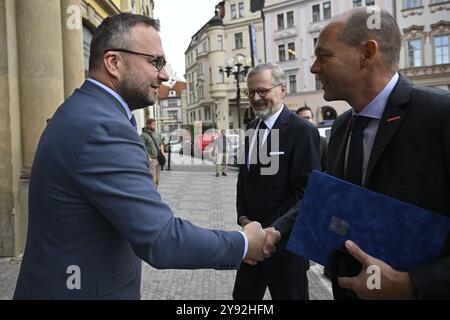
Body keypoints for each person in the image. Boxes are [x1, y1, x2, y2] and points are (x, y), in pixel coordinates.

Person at [13, 13, 271, 300]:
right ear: (114, 63)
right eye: (155, 62)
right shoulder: (104, 127)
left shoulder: (83, 111)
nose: (164, 75)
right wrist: (244, 244)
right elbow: (162, 240)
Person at [271, 7, 450, 299]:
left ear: (367, 54)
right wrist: (275, 233)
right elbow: (327, 197)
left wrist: (411, 283)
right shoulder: (343, 126)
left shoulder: (440, 116)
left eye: (324, 56)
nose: (314, 68)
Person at [233, 63, 321, 300]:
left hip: (285, 244)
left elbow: (306, 192)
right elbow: (244, 180)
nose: (256, 97)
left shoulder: (302, 131)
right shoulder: (251, 128)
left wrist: (274, 231)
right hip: (251, 242)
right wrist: (243, 218)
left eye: (263, 91)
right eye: (250, 92)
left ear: (282, 89)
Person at [296, 106, 328, 171]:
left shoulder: (322, 141)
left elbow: (326, 166)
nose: (305, 120)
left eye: (308, 117)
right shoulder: (292, 141)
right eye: (302, 118)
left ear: (312, 120)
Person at [141, 118, 165, 187]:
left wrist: (163, 154)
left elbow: (161, 144)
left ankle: (155, 191)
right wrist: (148, 157)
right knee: (152, 180)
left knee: (157, 180)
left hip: (158, 159)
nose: (155, 126)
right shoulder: (144, 135)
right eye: (153, 124)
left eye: (155, 124)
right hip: (151, 160)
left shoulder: (157, 134)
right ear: (148, 125)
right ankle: (153, 195)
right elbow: (142, 147)